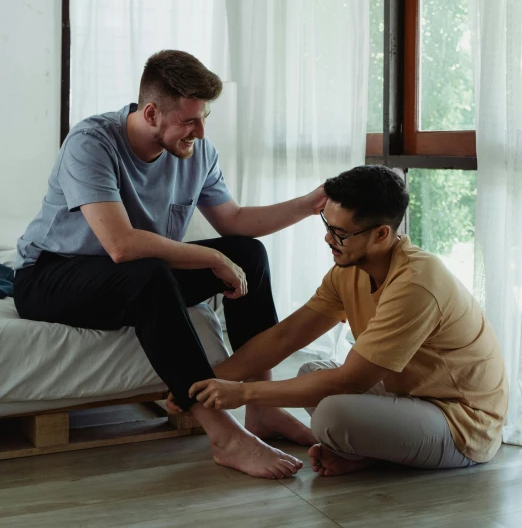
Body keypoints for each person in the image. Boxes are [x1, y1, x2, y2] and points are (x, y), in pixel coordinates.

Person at [12, 49, 327, 480]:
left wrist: (309, 204)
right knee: (151, 274)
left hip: (125, 279)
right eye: (189, 121)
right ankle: (224, 437)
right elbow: (121, 246)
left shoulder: (198, 151)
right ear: (151, 113)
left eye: (204, 118)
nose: (199, 131)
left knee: (247, 253)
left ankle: (264, 408)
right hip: (51, 276)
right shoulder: (92, 143)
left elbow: (234, 221)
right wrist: (213, 257)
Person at [175, 165, 509, 477]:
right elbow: (285, 337)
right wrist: (201, 385)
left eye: (340, 233)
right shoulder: (347, 273)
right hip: (409, 397)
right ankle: (370, 452)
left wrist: (244, 393)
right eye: (326, 225)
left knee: (332, 415)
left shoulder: (416, 284)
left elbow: (350, 382)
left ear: (381, 234)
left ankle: (372, 451)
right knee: (312, 373)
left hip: (461, 423)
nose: (328, 239)